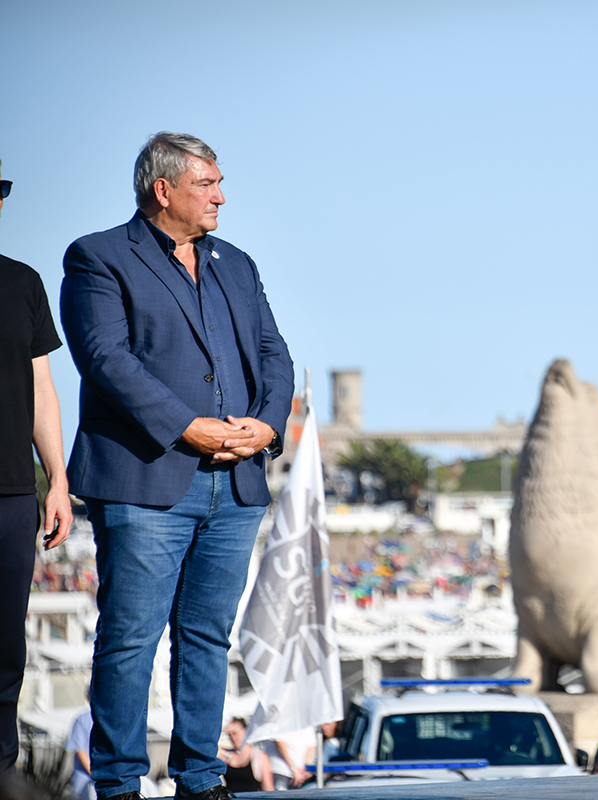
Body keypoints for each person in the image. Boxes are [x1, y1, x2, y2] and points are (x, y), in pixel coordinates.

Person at [60, 132, 294, 800]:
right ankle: (119, 784)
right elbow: (105, 359)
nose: (220, 196)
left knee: (207, 637)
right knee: (130, 637)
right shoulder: (99, 256)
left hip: (236, 484)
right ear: (163, 190)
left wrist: (267, 425)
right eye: (207, 184)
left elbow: (274, 354)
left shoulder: (236, 264)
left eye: (219, 184)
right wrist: (185, 426)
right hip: (144, 481)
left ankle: (200, 777)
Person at [0, 160, 73, 780]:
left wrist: (57, 481)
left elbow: (42, 391)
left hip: (12, 494)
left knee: (5, 645)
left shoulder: (23, 282)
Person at [217, 718, 272, 793]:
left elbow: (268, 787)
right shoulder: (227, 756)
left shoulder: (258, 756)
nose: (233, 738)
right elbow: (210, 749)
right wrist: (223, 731)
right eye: (230, 734)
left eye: (235, 733)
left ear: (246, 732)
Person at [67, 705, 94, 800]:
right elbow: (80, 751)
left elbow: (79, 750)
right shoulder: (112, 717)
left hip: (84, 783)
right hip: (90, 783)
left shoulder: (83, 718)